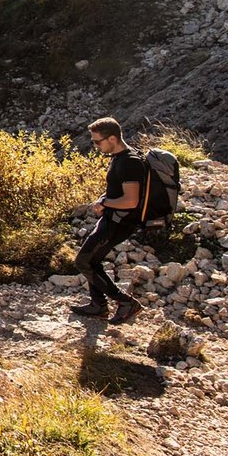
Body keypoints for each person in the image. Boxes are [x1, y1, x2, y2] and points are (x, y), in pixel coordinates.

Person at [69, 117, 147, 324]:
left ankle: (124, 302)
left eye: (97, 141)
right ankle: (98, 305)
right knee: (92, 261)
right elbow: (117, 190)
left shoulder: (130, 161)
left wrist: (107, 203)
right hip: (112, 219)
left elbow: (130, 201)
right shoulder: (119, 157)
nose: (95, 146)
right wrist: (104, 200)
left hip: (120, 222)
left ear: (112, 138)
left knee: (83, 261)